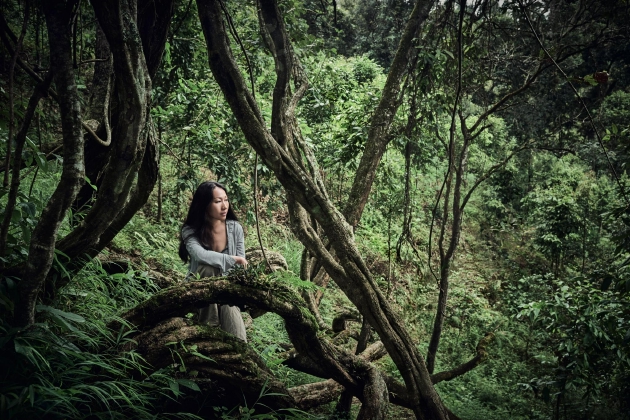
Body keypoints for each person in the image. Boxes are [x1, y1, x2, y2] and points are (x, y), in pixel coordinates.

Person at [179, 181, 248, 342]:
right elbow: (200, 255)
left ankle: (238, 349)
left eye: (226, 200)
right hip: (199, 288)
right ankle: (210, 328)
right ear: (204, 205)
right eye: (218, 201)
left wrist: (227, 285)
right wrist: (232, 259)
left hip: (227, 289)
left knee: (235, 328)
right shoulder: (190, 230)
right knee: (208, 267)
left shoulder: (235, 228)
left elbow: (240, 269)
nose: (224, 206)